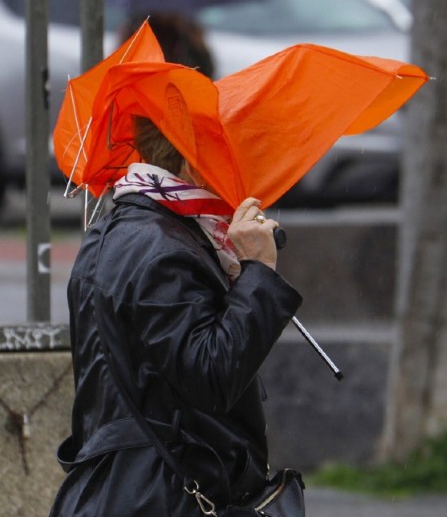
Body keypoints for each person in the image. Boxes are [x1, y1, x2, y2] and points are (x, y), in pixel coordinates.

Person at [50, 116, 302, 515]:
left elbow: (156, 369)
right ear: (192, 161)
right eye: (227, 153)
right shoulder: (164, 248)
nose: (239, 169)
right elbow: (212, 374)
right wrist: (258, 273)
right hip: (163, 495)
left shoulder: (116, 232)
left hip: (124, 485)